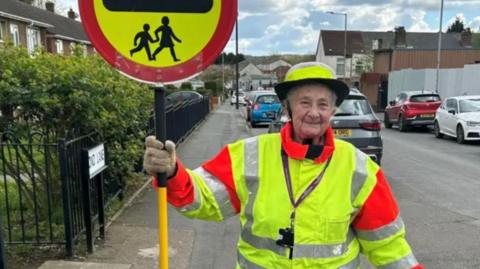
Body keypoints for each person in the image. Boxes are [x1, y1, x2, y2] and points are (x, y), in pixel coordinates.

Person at [144, 62, 423, 269]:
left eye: (323, 104)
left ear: (332, 111)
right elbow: (204, 200)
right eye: (304, 102)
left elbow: (388, 245)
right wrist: (173, 173)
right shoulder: (248, 154)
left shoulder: (359, 168)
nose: (314, 112)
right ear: (287, 108)